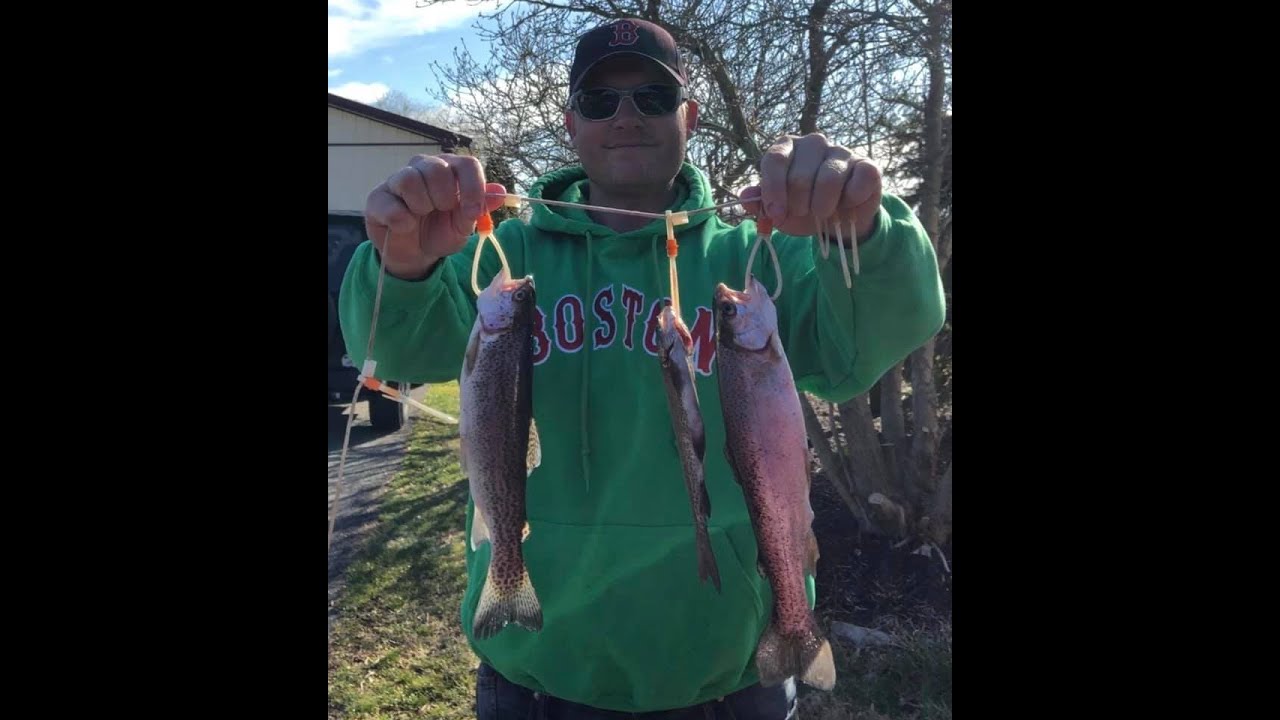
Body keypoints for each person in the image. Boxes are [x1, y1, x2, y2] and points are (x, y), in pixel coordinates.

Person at [339, 17, 946, 719]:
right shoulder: (496, 254)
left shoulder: (760, 258)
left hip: (730, 673)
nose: (626, 116)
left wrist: (863, 223)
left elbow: (880, 334)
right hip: (540, 674)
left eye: (652, 98)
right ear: (570, 123)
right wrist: (403, 258)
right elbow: (393, 351)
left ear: (688, 116)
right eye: (601, 101)